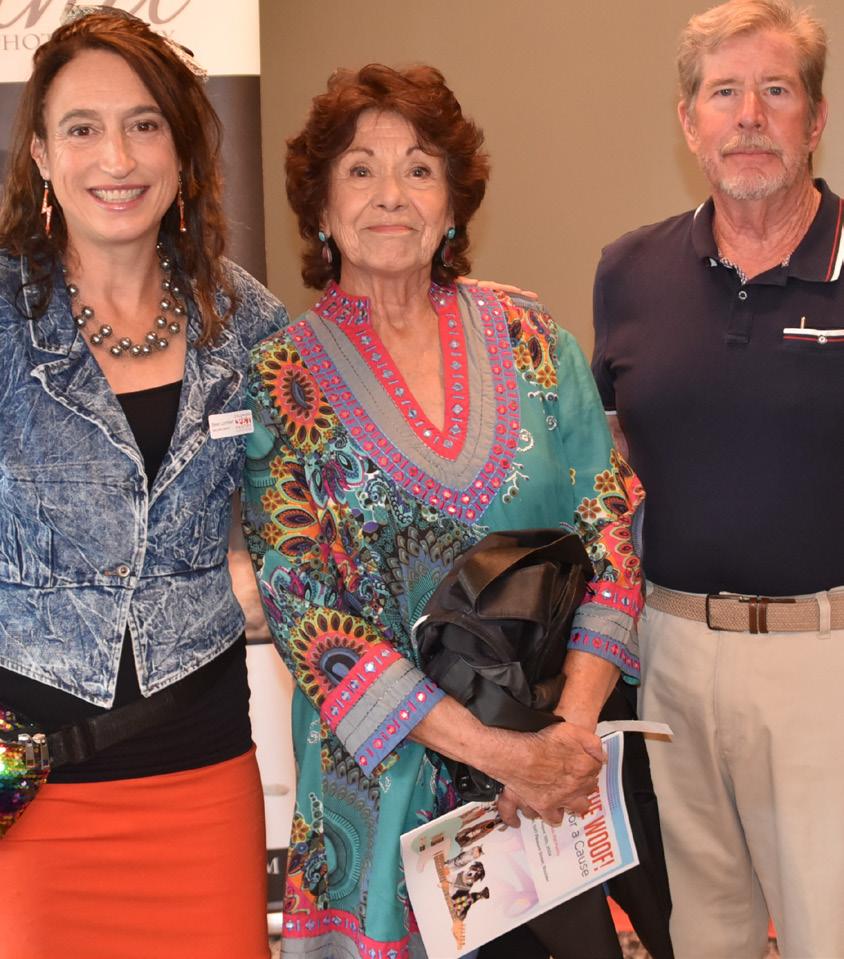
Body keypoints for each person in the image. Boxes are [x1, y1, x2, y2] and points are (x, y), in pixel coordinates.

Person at [242, 64, 661, 959]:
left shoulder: (533, 338)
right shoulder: (280, 379)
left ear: (454, 204)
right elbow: (310, 617)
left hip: (551, 795)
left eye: (420, 168)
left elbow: (611, 532)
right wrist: (495, 752)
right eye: (360, 169)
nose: (391, 194)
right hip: (381, 802)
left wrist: (563, 737)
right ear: (320, 207)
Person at [0, 7, 286, 959]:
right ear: (42, 154)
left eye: (144, 124)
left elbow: (324, 486)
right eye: (82, 128)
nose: (116, 157)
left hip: (202, 776)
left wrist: (451, 302)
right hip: (28, 791)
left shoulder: (247, 321)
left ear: (182, 148)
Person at [591, 1, 844, 956]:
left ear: (815, 119)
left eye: (776, 90)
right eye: (724, 92)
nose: (749, 117)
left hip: (825, 658)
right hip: (671, 658)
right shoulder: (629, 272)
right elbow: (607, 460)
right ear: (688, 121)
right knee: (702, 936)